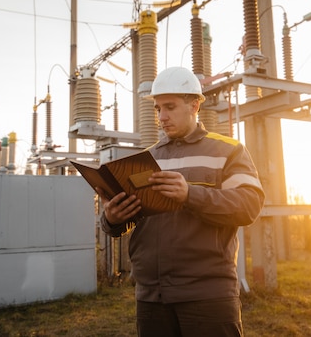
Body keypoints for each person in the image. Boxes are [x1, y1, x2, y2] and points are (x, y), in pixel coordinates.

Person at [99, 66, 265, 337]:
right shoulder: (145, 160)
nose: (161, 117)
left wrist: (190, 195)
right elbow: (126, 221)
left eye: (170, 107)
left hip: (207, 296)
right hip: (152, 298)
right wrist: (112, 220)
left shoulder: (228, 151)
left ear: (195, 105)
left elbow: (248, 205)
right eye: (157, 109)